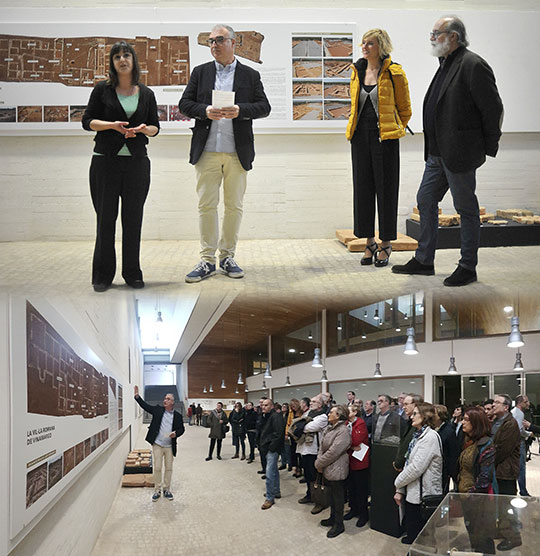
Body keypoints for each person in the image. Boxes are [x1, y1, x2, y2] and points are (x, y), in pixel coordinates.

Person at [392, 15, 503, 286]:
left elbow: (493, 109)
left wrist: (486, 147)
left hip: (460, 152)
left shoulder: (473, 64)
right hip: (438, 153)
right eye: (431, 34)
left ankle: (467, 266)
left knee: (466, 209)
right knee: (426, 199)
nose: (432, 38)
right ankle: (424, 260)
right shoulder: (445, 64)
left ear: (453, 36)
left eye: (436, 33)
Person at [179, 24, 271, 283]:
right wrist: (205, 110)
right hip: (207, 149)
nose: (214, 45)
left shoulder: (250, 75)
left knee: (234, 207)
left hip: (236, 151)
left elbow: (264, 107)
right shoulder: (200, 73)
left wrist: (241, 110)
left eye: (219, 40)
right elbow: (184, 104)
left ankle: (227, 256)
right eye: (210, 41)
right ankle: (207, 260)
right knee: (206, 206)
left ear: (233, 43)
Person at [82, 41, 159, 293]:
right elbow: (87, 121)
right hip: (105, 162)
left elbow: (155, 127)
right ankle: (103, 275)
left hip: (137, 164)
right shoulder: (101, 91)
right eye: (117, 57)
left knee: (133, 219)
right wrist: (112, 125)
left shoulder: (146, 93)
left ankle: (132, 273)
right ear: (112, 63)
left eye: (126, 55)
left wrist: (143, 129)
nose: (122, 60)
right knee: (105, 220)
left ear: (134, 60)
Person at [346, 28, 411, 267]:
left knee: (386, 190)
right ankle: (369, 241)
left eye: (370, 43)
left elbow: (405, 109)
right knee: (362, 190)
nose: (364, 47)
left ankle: (385, 243)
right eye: (363, 43)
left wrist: (394, 129)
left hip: (385, 139)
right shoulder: (357, 70)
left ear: (381, 46)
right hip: (359, 137)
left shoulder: (395, 72)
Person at [394, 402, 443, 545]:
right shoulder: (418, 436)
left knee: (423, 536)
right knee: (413, 529)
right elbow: (408, 462)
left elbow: (416, 468)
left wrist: (397, 482)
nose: (411, 417)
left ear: (425, 416)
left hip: (423, 494)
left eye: (415, 414)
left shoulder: (430, 437)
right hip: (414, 490)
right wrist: (400, 489)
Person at [133, 385, 184, 502]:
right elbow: (146, 406)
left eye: (168, 399)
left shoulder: (177, 416)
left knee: (169, 468)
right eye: (165, 398)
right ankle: (157, 490)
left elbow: (182, 429)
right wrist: (137, 397)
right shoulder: (157, 410)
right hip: (157, 444)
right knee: (157, 467)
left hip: (170, 446)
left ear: (172, 402)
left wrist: (176, 433)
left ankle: (166, 489)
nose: (165, 400)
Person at [457, 406, 497, 555]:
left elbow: (485, 478)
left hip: (478, 499)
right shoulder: (469, 440)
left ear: (477, 422)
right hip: (466, 495)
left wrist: (470, 496)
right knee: (472, 532)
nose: (463, 422)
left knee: (482, 535)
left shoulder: (486, 444)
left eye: (466, 420)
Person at [315, 405, 351, 538]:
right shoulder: (329, 428)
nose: (328, 414)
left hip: (337, 468)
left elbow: (334, 452)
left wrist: (319, 463)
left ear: (338, 416)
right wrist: (319, 460)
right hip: (328, 466)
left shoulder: (343, 431)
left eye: (331, 412)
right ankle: (332, 518)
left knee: (338, 497)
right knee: (331, 496)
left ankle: (339, 524)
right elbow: (322, 447)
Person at [491, 393, 521, 551]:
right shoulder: (497, 421)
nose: (493, 404)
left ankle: (513, 537)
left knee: (507, 504)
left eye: (497, 402)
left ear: (506, 407)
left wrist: (488, 461)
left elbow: (502, 450)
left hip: (505, 471)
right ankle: (503, 530)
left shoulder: (510, 424)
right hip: (498, 470)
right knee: (500, 504)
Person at [297, 396, 328, 507]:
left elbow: (308, 427)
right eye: (311, 401)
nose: (311, 403)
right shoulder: (308, 413)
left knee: (315, 476)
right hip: (304, 449)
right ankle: (309, 495)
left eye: (314, 401)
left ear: (320, 405)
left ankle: (319, 500)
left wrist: (301, 425)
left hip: (314, 450)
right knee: (308, 475)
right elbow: (297, 424)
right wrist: (301, 425)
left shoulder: (323, 416)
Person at [345, 405, 370, 528]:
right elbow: (343, 440)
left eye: (348, 410)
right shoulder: (345, 423)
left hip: (360, 462)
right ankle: (353, 509)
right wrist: (349, 445)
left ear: (354, 412)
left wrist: (348, 444)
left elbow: (355, 441)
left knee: (361, 490)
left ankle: (363, 515)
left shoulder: (360, 423)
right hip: (349, 461)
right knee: (351, 488)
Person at [259, 399, 285, 510]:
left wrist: (271, 448)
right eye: (262, 405)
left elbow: (278, 434)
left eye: (266, 405)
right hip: (267, 447)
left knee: (269, 473)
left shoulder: (276, 416)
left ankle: (270, 498)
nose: (263, 407)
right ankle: (276, 491)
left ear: (272, 406)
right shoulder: (265, 416)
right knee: (273, 469)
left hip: (272, 449)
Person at [394, 393, 423, 472]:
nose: (403, 407)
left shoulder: (419, 427)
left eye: (406, 404)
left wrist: (399, 463)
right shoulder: (409, 423)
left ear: (416, 405)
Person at [433, 404, 459, 493]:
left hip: (445, 469)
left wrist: (450, 472)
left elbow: (453, 453)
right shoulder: (434, 429)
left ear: (440, 416)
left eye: (434, 414)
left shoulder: (449, 431)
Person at [511, 395, 532, 496]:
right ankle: (523, 491)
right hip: (519, 442)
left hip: (514, 442)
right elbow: (520, 430)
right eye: (526, 402)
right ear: (520, 403)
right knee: (521, 467)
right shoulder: (519, 413)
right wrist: (528, 434)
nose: (528, 404)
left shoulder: (514, 412)